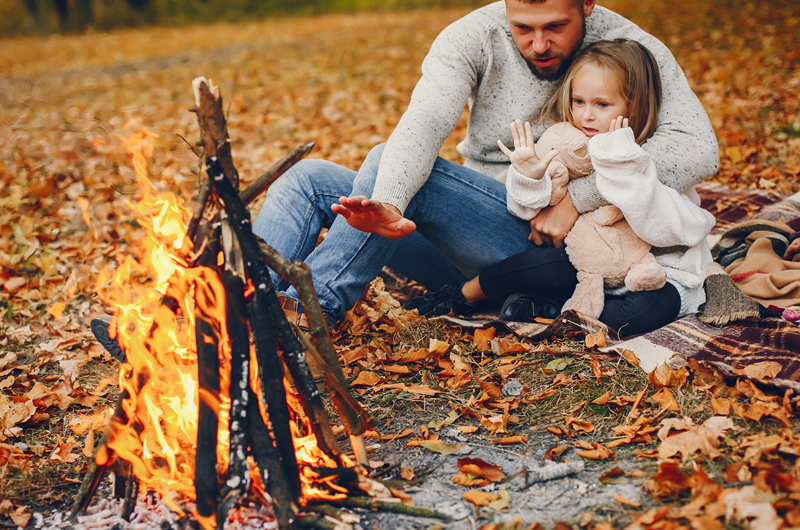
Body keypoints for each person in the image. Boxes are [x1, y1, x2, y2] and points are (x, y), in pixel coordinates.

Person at [252, 0, 719, 331]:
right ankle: (240, 308)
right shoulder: (474, 35)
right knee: (306, 178)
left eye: (554, 26)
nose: (538, 44)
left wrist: (577, 199)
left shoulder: (631, 49)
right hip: (478, 226)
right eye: (523, 28)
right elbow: (426, 121)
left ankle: (311, 314)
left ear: (587, 4)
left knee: (382, 163)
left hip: (557, 251)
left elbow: (698, 150)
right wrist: (390, 201)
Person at [407, 39, 716, 337]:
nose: (586, 115)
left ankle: (550, 308)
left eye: (602, 104)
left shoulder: (649, 159)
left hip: (652, 272)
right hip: (584, 269)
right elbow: (526, 208)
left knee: (647, 310)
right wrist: (529, 177)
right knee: (546, 264)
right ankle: (464, 293)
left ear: (635, 107)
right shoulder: (570, 147)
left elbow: (665, 229)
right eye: (578, 101)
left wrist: (623, 170)